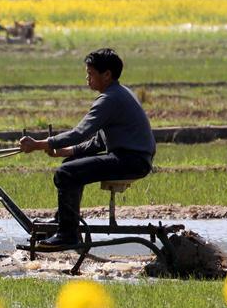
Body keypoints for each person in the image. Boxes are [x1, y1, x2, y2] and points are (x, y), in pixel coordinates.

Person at [18, 48, 155, 248]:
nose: (87, 78)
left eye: (90, 74)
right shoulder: (119, 93)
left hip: (131, 161)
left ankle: (68, 234)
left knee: (66, 173)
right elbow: (99, 141)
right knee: (70, 164)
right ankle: (62, 223)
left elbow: (79, 133)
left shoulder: (109, 99)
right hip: (132, 158)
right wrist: (66, 151)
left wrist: (39, 144)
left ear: (106, 74)